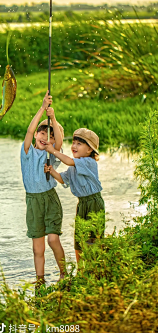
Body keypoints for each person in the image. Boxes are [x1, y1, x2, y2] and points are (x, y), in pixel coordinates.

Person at [20, 91, 65, 288]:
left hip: (49, 199)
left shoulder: (52, 153)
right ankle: (40, 281)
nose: (45, 137)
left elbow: (61, 142)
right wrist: (42, 108)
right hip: (33, 202)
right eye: (42, 132)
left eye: (50, 135)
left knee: (53, 239)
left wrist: (53, 117)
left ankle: (64, 274)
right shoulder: (27, 151)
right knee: (37, 248)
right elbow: (29, 132)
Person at [44, 128, 105, 263]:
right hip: (82, 204)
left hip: (94, 202)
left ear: (89, 150)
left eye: (79, 144)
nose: (74, 146)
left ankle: (95, 268)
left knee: (93, 238)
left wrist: (53, 151)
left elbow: (68, 161)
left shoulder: (88, 162)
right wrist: (51, 170)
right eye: (73, 143)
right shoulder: (73, 168)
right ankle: (81, 271)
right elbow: (61, 179)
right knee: (79, 239)